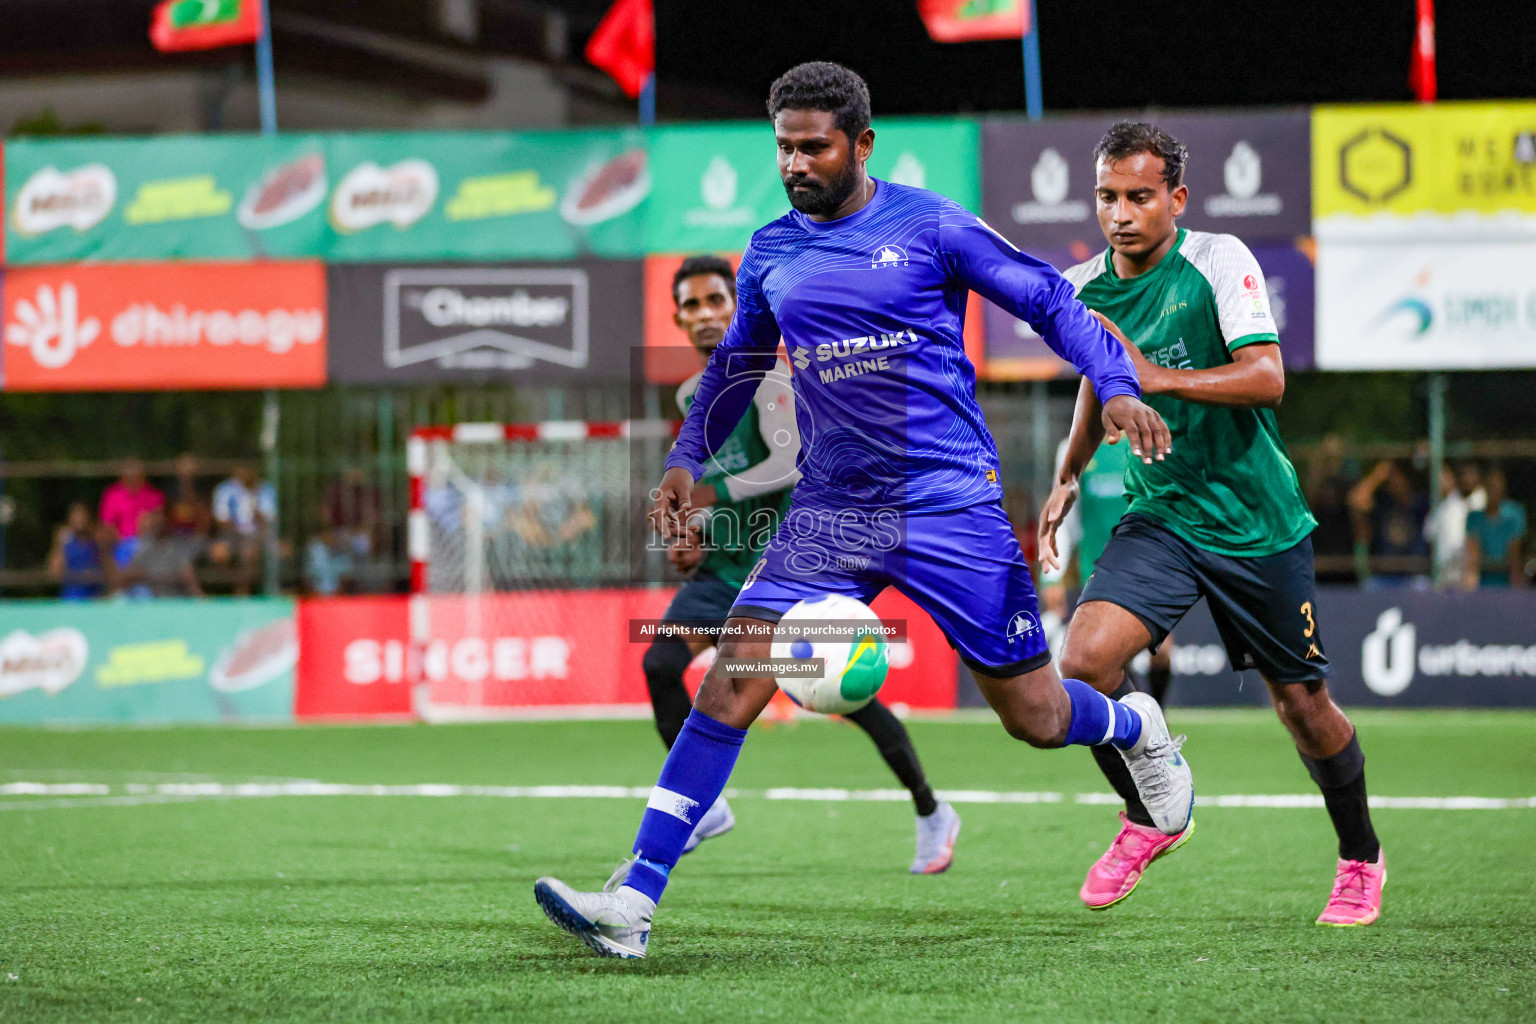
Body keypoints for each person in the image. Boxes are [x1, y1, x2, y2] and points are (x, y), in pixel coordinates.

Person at [533, 63, 1185, 960]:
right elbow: (736, 368)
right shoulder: (770, 250)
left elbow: (1047, 300)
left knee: (1034, 717)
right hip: (832, 514)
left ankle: (1133, 725)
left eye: (814, 146)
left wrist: (1113, 384)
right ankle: (634, 900)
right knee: (728, 684)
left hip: (949, 505)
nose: (795, 163)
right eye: (783, 147)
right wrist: (688, 459)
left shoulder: (928, 225)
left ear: (861, 143)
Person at [1038, 121, 1383, 927]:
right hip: (1162, 515)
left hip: (1257, 523)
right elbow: (1099, 382)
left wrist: (1157, 376)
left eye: (1138, 196)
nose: (1120, 213)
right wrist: (1067, 471)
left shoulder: (1218, 261)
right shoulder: (1084, 285)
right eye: (1107, 197)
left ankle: (1360, 857)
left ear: (1175, 199)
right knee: (1081, 663)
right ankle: (1151, 812)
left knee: (1303, 705)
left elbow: (1267, 378)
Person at [642, 253, 962, 873]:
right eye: (692, 305)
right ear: (678, 317)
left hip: (787, 568)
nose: (705, 314)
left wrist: (706, 497)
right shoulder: (698, 398)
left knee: (843, 694)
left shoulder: (771, 377)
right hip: (725, 570)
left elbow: (785, 468)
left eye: (717, 301)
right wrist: (696, 533)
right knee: (659, 662)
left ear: (738, 309)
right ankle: (700, 811)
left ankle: (930, 808)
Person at [1348, 459, 1430, 587]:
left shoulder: (1421, 504)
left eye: (1397, 477)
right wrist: (1377, 476)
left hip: (1414, 577)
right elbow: (1355, 501)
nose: (1394, 483)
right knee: (1369, 586)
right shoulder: (1384, 503)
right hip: (1384, 577)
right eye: (1391, 480)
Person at [211, 464, 276, 596]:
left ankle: (242, 592)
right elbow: (221, 521)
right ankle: (227, 591)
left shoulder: (265, 489)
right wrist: (240, 532)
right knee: (219, 552)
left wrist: (254, 500)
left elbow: (268, 522)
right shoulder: (225, 489)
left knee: (249, 551)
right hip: (232, 533)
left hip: (258, 535)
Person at [1464, 466, 1527, 588]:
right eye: (1491, 487)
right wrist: (1469, 589)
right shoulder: (1473, 518)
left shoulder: (1515, 515)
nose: (1494, 491)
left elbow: (1515, 555)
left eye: (1497, 487)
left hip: (1506, 587)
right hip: (1482, 587)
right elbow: (1472, 557)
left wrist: (1517, 589)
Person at [119, 507, 202, 598]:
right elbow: (126, 577)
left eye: (161, 519)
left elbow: (189, 578)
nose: (158, 522)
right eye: (155, 519)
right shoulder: (142, 547)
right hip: (150, 599)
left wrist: (200, 599)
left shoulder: (177, 548)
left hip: (175, 598)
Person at [99, 458, 164, 563]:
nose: (133, 479)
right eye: (129, 476)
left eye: (136, 476)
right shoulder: (112, 495)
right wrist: (121, 540)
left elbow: (160, 523)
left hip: (148, 542)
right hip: (120, 544)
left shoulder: (154, 496)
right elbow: (107, 525)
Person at [47, 502, 109, 600]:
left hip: (96, 597)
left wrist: (101, 543)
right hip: (72, 598)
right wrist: (59, 544)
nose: (80, 521)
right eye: (76, 518)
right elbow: (54, 573)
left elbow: (108, 570)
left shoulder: (96, 543)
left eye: (83, 518)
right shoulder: (66, 543)